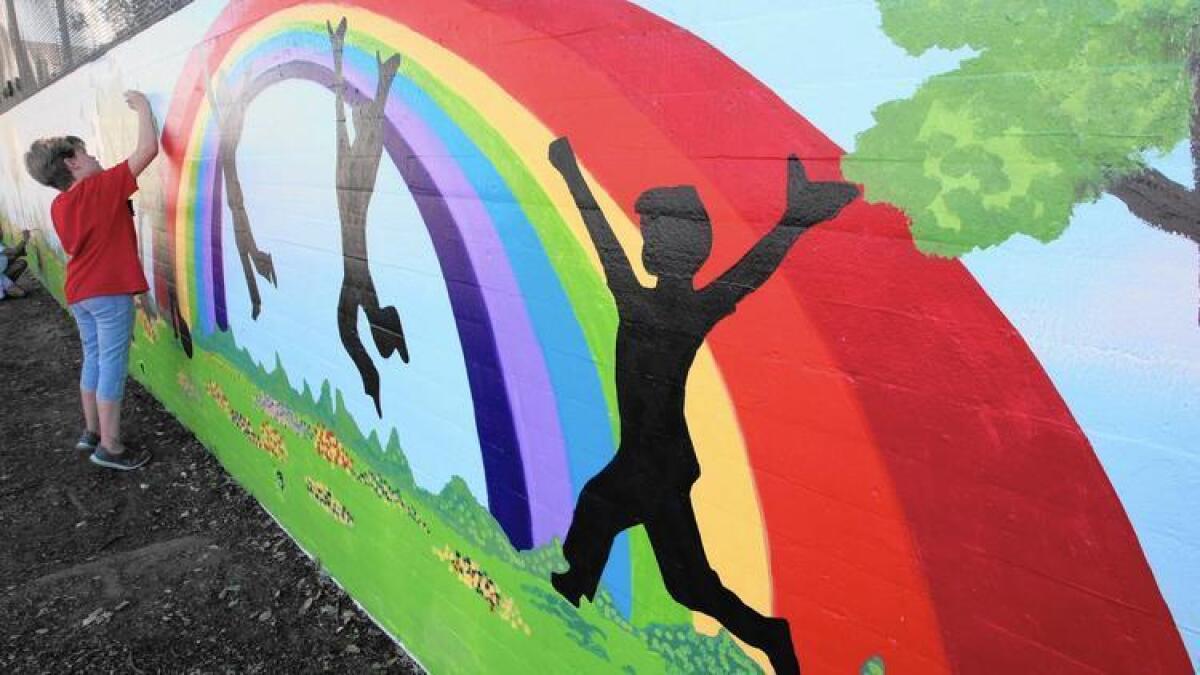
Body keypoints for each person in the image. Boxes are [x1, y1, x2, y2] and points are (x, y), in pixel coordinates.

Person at [548, 136, 858, 675]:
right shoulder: (683, 307)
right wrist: (794, 221)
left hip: (654, 463)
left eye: (653, 233)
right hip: (656, 460)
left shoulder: (645, 301)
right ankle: (766, 634)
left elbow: (602, 236)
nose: (644, 242)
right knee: (683, 580)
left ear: (666, 248)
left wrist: (572, 172)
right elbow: (748, 273)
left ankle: (578, 591)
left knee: (611, 515)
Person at [24, 90, 159, 471]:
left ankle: (92, 433)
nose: (94, 155)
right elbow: (148, 149)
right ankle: (111, 447)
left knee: (95, 358)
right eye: (85, 153)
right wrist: (144, 108)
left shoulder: (60, 204)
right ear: (72, 163)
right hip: (108, 292)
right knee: (113, 362)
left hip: (80, 292)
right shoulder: (101, 188)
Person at [0, 229, 30, 299]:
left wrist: (19, 253)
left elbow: (9, 257)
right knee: (4, 296)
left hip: (2, 275)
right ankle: (5, 291)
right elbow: (15, 251)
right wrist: (25, 239)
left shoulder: (1, 245)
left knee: (22, 293)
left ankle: (6, 289)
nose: (1, 232)